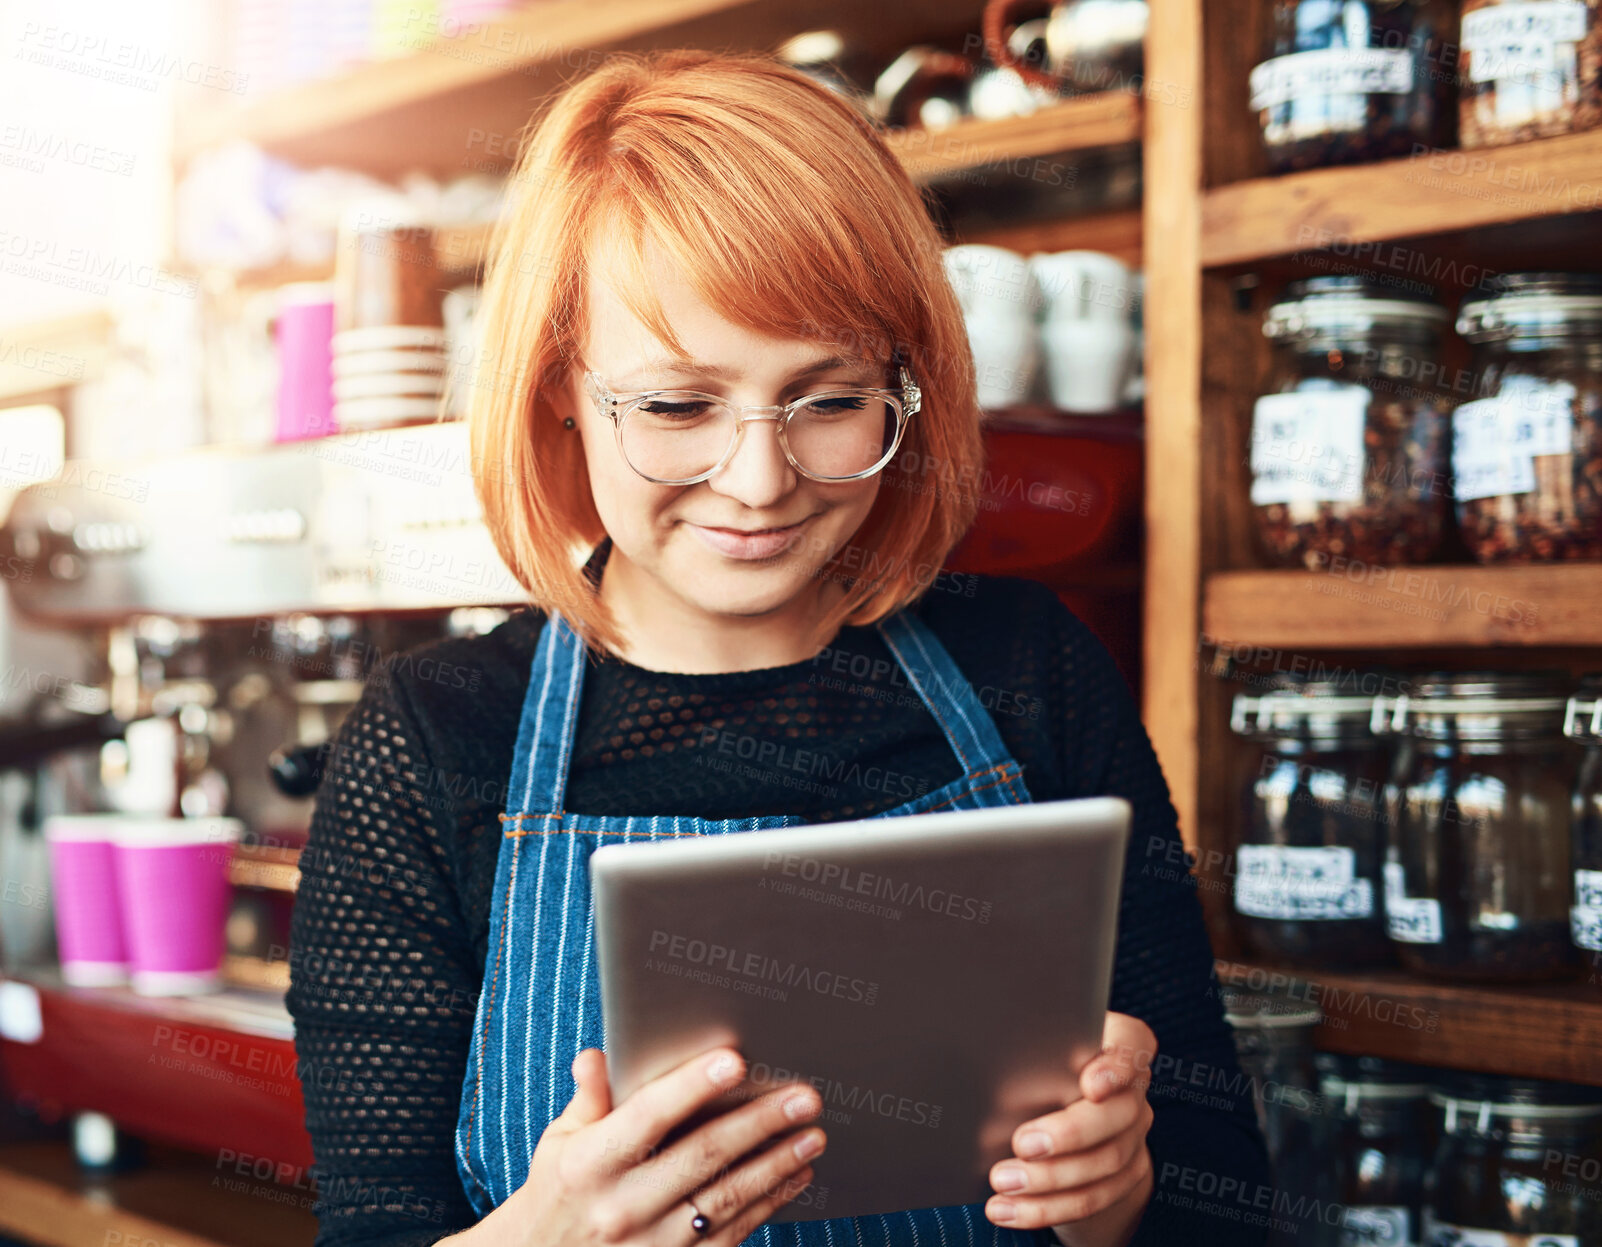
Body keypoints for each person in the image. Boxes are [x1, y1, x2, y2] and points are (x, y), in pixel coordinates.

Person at [285, 48, 1269, 1247]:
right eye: (677, 406)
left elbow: (1225, 1200)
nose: (759, 481)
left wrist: (1120, 1198)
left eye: (827, 398)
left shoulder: (1032, 670)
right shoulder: (432, 736)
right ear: (556, 387)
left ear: (906, 385)